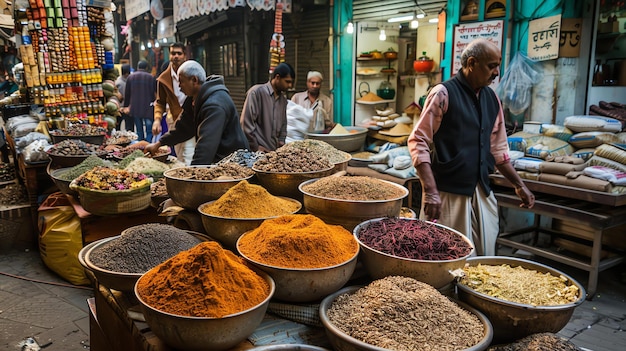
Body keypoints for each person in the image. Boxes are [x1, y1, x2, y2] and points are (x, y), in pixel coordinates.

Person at [407, 38, 535, 256]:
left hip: (481, 190)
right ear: (472, 63)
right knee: (446, 255)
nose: (497, 72)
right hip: (447, 193)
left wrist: (519, 185)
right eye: (491, 66)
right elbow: (418, 141)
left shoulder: (492, 99)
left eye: (498, 65)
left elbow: (499, 151)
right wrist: (430, 191)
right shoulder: (443, 94)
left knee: (484, 256)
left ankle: (473, 292)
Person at [144, 60, 249, 165]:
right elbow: (183, 128)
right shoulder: (194, 99)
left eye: (181, 81)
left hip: (233, 162)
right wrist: (159, 144)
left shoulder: (214, 105)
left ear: (194, 80)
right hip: (219, 161)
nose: (179, 87)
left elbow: (206, 146)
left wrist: (193, 174)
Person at [152, 43, 195, 165]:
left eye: (179, 53)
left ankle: (188, 180)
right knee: (180, 155)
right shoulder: (164, 79)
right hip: (174, 121)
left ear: (185, 56)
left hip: (191, 121)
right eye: (173, 53)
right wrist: (157, 120)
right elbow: (160, 102)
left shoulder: (193, 74)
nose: (176, 56)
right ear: (169, 55)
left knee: (188, 155)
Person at [240, 62, 295, 152]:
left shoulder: (283, 101)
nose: (290, 86)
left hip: (272, 153)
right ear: (277, 77)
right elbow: (246, 124)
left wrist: (281, 143)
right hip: (255, 153)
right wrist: (255, 147)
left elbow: (283, 125)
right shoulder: (256, 93)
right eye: (287, 81)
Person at [121, 60, 156, 141]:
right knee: (149, 130)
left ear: (137, 67)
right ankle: (148, 145)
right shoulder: (151, 77)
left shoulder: (131, 77)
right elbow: (154, 93)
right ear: (147, 68)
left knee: (139, 130)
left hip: (135, 107)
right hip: (148, 107)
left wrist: (126, 106)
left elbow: (127, 94)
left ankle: (141, 147)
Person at [114, 64, 133, 131]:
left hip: (129, 107)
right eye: (125, 73)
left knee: (129, 126)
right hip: (120, 107)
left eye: (127, 73)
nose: (126, 75)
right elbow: (115, 94)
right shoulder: (118, 82)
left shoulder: (131, 80)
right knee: (118, 125)